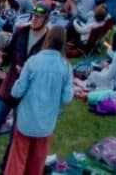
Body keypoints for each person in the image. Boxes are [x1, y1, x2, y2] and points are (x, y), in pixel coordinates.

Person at [0, 1, 52, 175]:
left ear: (46, 19)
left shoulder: (48, 41)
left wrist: (30, 72)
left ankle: (5, 169)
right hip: (8, 90)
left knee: (14, 138)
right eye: (34, 15)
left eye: (39, 16)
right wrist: (1, 62)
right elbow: (9, 57)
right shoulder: (21, 32)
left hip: (26, 96)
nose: (35, 19)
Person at [5, 30, 74, 175]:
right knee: (36, 165)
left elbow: (16, 91)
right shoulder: (66, 67)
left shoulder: (33, 61)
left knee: (17, 161)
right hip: (46, 124)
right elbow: (67, 98)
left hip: (26, 121)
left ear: (47, 39)